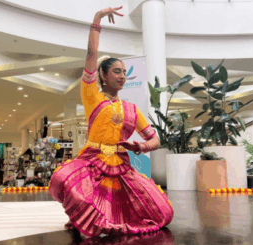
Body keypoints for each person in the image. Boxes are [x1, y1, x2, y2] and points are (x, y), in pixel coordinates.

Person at [49, 6, 173, 238]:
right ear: (103, 76)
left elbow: (155, 139)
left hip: (121, 163)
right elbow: (90, 55)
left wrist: (141, 147)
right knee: (63, 178)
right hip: (93, 159)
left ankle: (110, 221)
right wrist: (97, 20)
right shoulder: (92, 97)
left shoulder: (132, 110)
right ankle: (87, 221)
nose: (122, 76)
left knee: (163, 213)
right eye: (116, 71)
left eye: (124, 72)